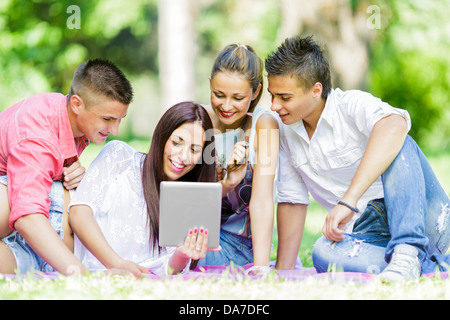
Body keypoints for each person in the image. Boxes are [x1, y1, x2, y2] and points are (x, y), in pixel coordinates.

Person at [265, 35, 450, 282]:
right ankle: (424, 265)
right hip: (366, 234)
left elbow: (395, 126)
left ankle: (408, 250)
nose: (275, 106)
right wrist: (283, 274)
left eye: (284, 97)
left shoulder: (350, 105)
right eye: (272, 96)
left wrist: (348, 201)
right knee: (322, 252)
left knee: (395, 132)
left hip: (423, 217)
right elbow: (292, 200)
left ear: (315, 90)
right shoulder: (285, 131)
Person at [0, 102, 219, 277]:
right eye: (177, 142)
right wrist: (115, 263)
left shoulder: (188, 206)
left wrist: (184, 253)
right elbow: (78, 213)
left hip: (55, 260)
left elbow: (168, 268)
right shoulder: (121, 155)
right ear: (162, 138)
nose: (182, 156)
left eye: (194, 149)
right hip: (51, 207)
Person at [0, 58, 133, 275]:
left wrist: (69, 170)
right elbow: (27, 216)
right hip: (19, 213)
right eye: (108, 119)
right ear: (77, 104)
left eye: (120, 119)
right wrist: (81, 275)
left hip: (32, 241)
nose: (115, 129)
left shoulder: (74, 124)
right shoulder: (36, 132)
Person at [199, 44, 280, 275]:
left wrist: (261, 267)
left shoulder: (264, 126)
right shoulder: (199, 120)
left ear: (255, 92)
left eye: (238, 97)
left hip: (237, 243)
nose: (226, 106)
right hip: (197, 230)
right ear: (210, 84)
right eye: (218, 94)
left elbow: (263, 200)